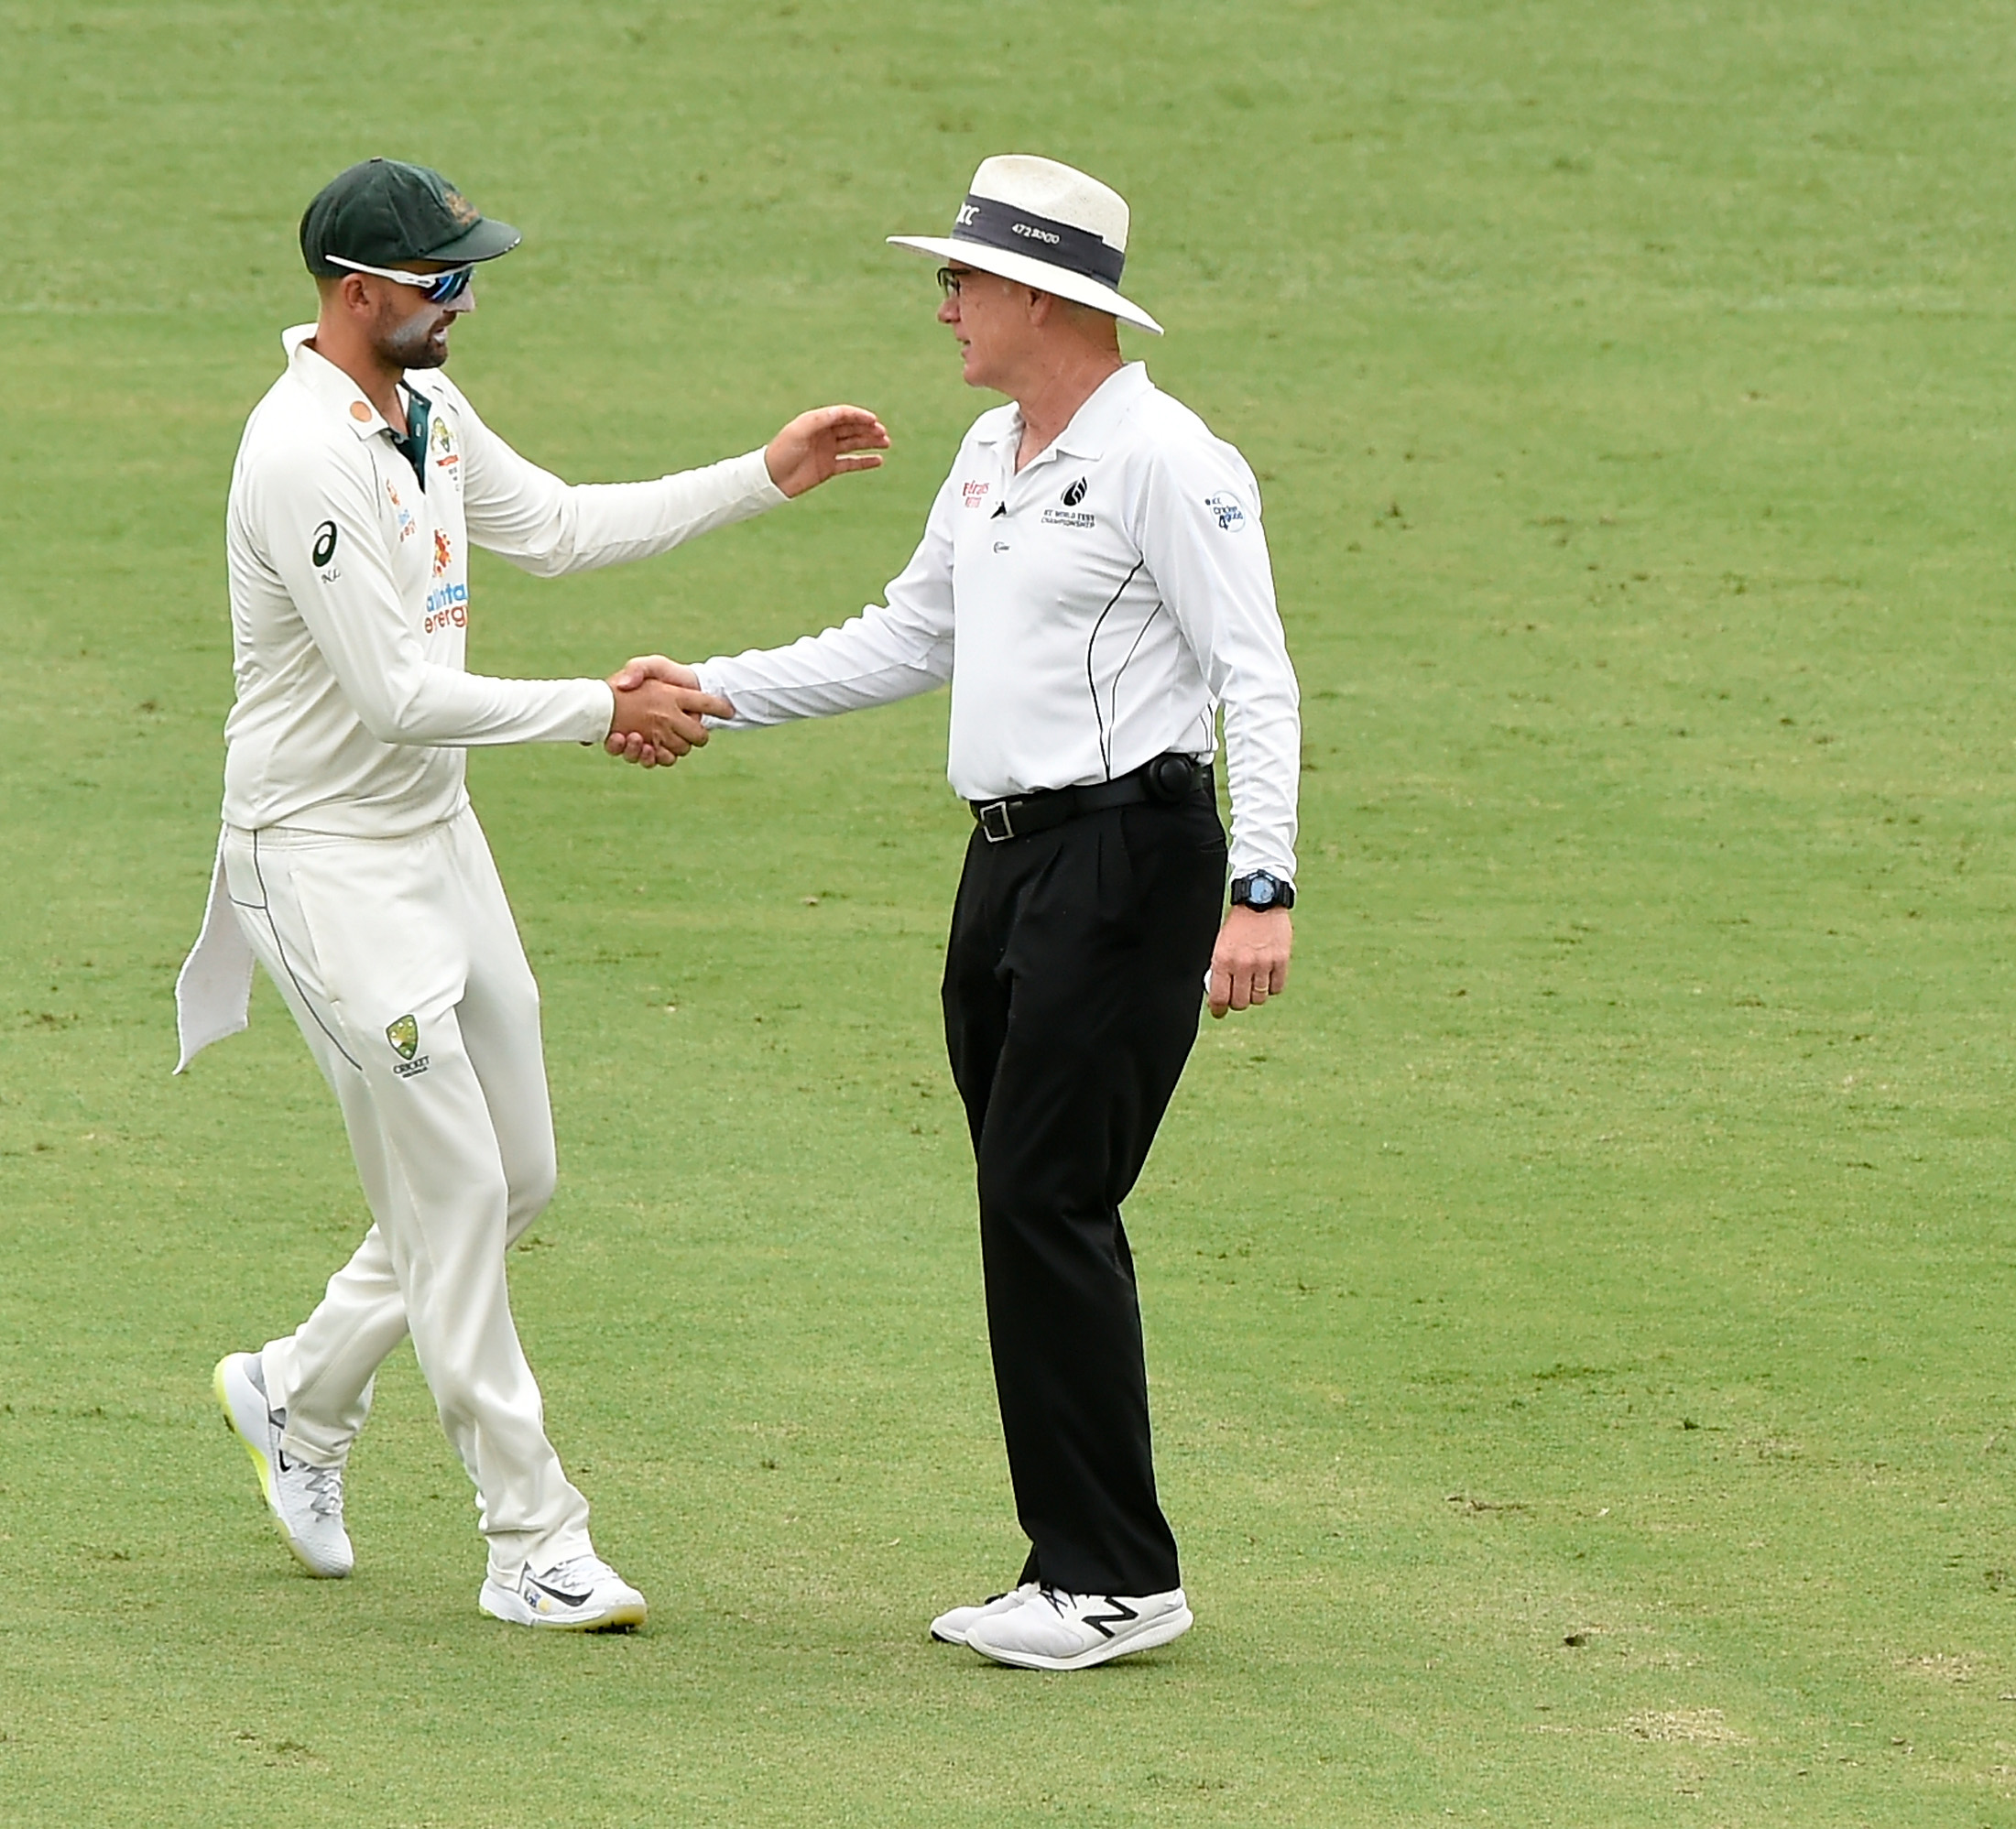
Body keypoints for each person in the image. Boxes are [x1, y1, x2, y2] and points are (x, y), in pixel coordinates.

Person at [173, 158, 888, 1632]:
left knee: (520, 1174)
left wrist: (765, 476)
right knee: (454, 1197)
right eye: (442, 278)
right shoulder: (298, 453)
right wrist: (599, 709)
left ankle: (295, 1392)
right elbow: (388, 694)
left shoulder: (423, 409)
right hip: (319, 863)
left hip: (435, 835)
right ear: (356, 289)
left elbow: (558, 527)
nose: (466, 298)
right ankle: (531, 1537)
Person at [607, 155, 1302, 1670]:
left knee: (1050, 1195)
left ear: (1044, 296)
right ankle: (1076, 1560)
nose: (945, 306)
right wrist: (714, 692)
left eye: (965, 281)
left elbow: (1256, 673)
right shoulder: (993, 444)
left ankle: (1115, 1573)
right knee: (1024, 1198)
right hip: (1005, 866)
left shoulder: (1168, 461)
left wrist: (1262, 887)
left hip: (1133, 861)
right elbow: (910, 633)